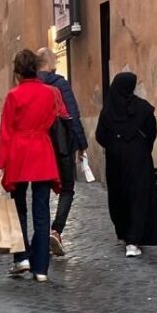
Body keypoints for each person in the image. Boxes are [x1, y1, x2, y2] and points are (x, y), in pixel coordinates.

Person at [0, 50, 61, 283]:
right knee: (41, 211)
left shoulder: (14, 96)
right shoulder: (51, 93)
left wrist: (0, 165)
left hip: (19, 153)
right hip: (42, 150)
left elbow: (6, 132)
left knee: (19, 208)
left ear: (17, 72)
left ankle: (21, 257)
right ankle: (41, 268)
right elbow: (56, 117)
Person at [95, 72, 157, 257]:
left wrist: (114, 146)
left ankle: (125, 234)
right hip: (138, 158)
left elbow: (100, 136)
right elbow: (152, 131)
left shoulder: (108, 111)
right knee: (138, 196)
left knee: (119, 196)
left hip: (115, 159)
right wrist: (141, 147)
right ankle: (134, 240)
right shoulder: (142, 109)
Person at [37, 48, 88, 256]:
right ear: (51, 63)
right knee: (67, 188)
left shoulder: (30, 86)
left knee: (41, 192)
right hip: (62, 146)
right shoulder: (60, 84)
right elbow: (72, 116)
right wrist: (81, 144)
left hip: (39, 148)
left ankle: (41, 238)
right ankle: (56, 231)